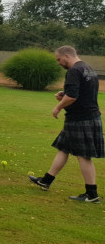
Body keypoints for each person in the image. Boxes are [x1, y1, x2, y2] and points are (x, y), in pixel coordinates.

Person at [29, 46, 103, 203]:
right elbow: (82, 92)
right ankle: (46, 181)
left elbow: (73, 97)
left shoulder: (74, 71)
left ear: (67, 56)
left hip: (80, 119)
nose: (58, 63)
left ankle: (92, 195)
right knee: (63, 149)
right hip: (88, 116)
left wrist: (58, 106)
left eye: (59, 59)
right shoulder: (87, 68)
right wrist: (65, 95)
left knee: (83, 156)